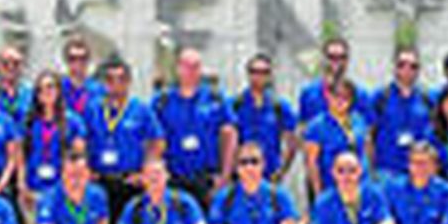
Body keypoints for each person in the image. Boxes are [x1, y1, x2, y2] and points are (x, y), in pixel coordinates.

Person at [83, 58, 165, 224]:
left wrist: (144, 173)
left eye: (121, 79)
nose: (115, 84)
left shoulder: (140, 108)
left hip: (129, 182)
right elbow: (83, 140)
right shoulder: (93, 108)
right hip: (100, 182)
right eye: (110, 79)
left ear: (128, 81)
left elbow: (157, 141)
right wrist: (87, 170)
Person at [151, 47, 235, 207]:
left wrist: (225, 175)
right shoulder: (162, 101)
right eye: (187, 66)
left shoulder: (216, 99)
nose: (191, 71)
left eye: (196, 66)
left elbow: (230, 136)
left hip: (206, 180)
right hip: (174, 180)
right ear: (178, 68)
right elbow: (153, 140)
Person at [19, 70, 88, 224]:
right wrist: (22, 186)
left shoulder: (73, 121)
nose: (46, 92)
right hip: (33, 189)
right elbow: (20, 156)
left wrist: (74, 188)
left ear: (59, 91)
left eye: (50, 87)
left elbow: (79, 158)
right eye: (41, 89)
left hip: (61, 192)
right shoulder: (29, 121)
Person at [230, 53, 299, 183]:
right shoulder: (235, 105)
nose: (259, 76)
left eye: (264, 72)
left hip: (270, 177)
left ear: (270, 75)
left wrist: (282, 170)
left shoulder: (279, 106)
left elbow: (292, 142)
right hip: (242, 176)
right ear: (248, 74)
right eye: (254, 72)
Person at [368, 47, 432, 179]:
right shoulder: (380, 97)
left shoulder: (427, 99)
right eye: (401, 65)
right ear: (394, 68)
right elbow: (368, 137)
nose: (407, 70)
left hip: (417, 175)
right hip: (386, 173)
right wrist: (371, 171)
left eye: (413, 66)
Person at [301, 79, 370, 199]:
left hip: (358, 186)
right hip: (330, 188)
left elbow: (364, 150)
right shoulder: (317, 125)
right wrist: (318, 193)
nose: (340, 101)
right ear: (328, 96)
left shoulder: (359, 121)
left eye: (346, 97)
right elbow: (312, 163)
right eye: (336, 95)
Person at [298, 37, 369, 122]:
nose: (336, 61)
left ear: (347, 61)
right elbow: (302, 128)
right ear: (322, 60)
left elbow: (367, 130)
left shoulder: (360, 95)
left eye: (342, 57)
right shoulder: (308, 94)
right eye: (331, 57)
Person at [60, 36, 105, 117]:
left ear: (88, 60)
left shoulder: (99, 90)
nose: (78, 63)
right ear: (66, 60)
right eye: (72, 58)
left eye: (82, 58)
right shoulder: (58, 88)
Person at [0, 44, 34, 123]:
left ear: (22, 66)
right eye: (5, 63)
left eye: (16, 63)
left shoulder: (31, 92)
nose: (11, 67)